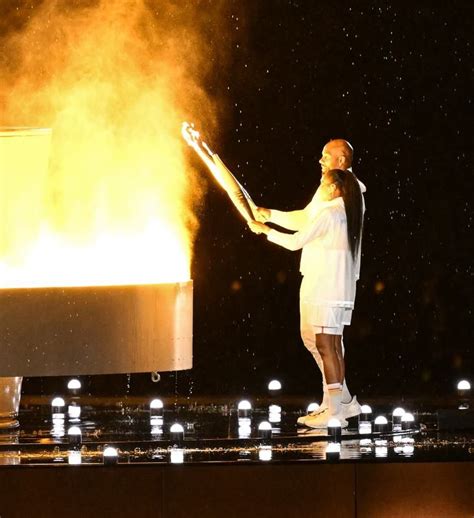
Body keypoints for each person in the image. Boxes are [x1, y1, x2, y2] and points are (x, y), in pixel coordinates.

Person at [250, 140, 366, 427]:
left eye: (326, 156)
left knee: (326, 343)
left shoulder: (344, 199)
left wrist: (265, 231)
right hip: (325, 280)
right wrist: (271, 215)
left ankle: (335, 407)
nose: (320, 160)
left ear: (340, 160)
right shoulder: (339, 198)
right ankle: (341, 401)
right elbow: (307, 219)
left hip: (327, 282)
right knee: (322, 341)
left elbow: (300, 236)